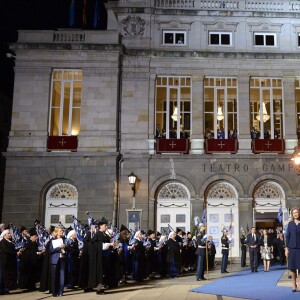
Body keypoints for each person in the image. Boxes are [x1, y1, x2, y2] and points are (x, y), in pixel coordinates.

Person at [285, 207, 300, 292]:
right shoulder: (290, 224)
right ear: (292, 214)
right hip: (292, 248)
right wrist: (286, 248)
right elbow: (287, 236)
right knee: (293, 268)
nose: (295, 214)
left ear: (299, 213)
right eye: (294, 213)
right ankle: (293, 284)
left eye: (296, 212)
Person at [0, 229, 20, 294]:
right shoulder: (3, 241)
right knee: (5, 275)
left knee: (9, 275)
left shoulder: (10, 241)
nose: (10, 234)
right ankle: (4, 288)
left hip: (11, 261)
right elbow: (6, 250)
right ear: (5, 235)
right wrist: (15, 253)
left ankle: (8, 287)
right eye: (8, 233)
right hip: (6, 261)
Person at [49, 226, 66, 297]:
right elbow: (50, 250)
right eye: (60, 231)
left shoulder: (64, 239)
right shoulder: (53, 240)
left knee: (62, 276)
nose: (62, 232)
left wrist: (66, 247)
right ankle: (54, 292)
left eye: (62, 231)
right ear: (56, 232)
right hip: (55, 260)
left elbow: (68, 248)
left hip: (62, 258)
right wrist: (59, 247)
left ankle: (61, 291)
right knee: (54, 276)